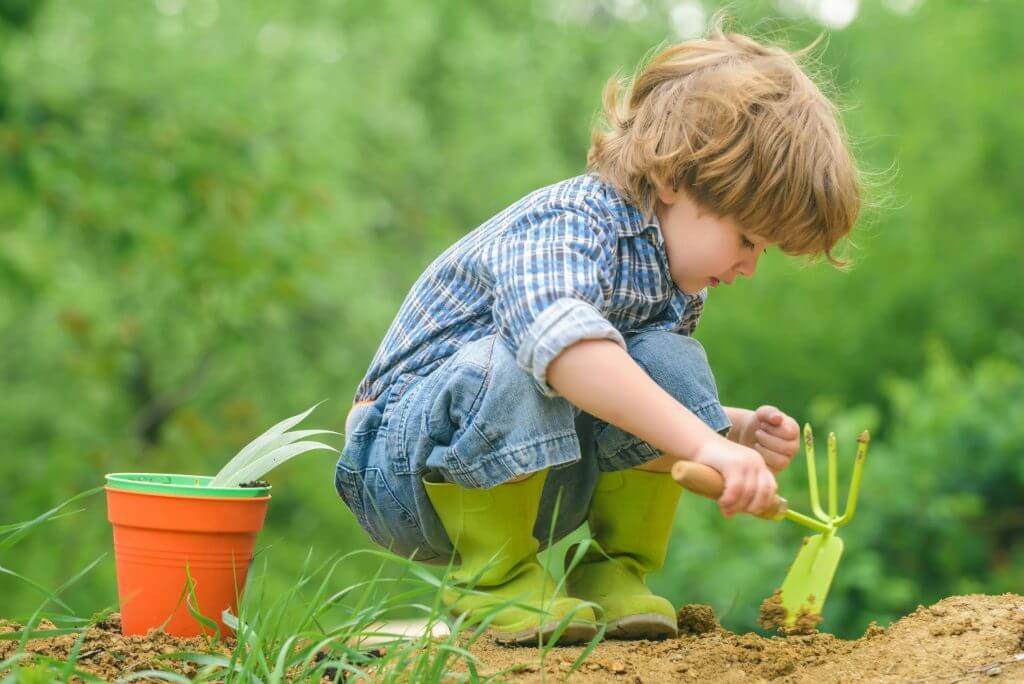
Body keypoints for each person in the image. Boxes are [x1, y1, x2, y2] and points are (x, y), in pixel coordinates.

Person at [335, 17, 860, 646]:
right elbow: (566, 358)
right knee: (534, 356)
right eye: (746, 239)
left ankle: (613, 575)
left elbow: (617, 396)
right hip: (403, 473)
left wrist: (731, 425)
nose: (748, 266)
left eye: (764, 251)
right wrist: (704, 443)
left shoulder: (672, 279)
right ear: (672, 179)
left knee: (668, 358)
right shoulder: (570, 222)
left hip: (538, 478)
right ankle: (492, 581)